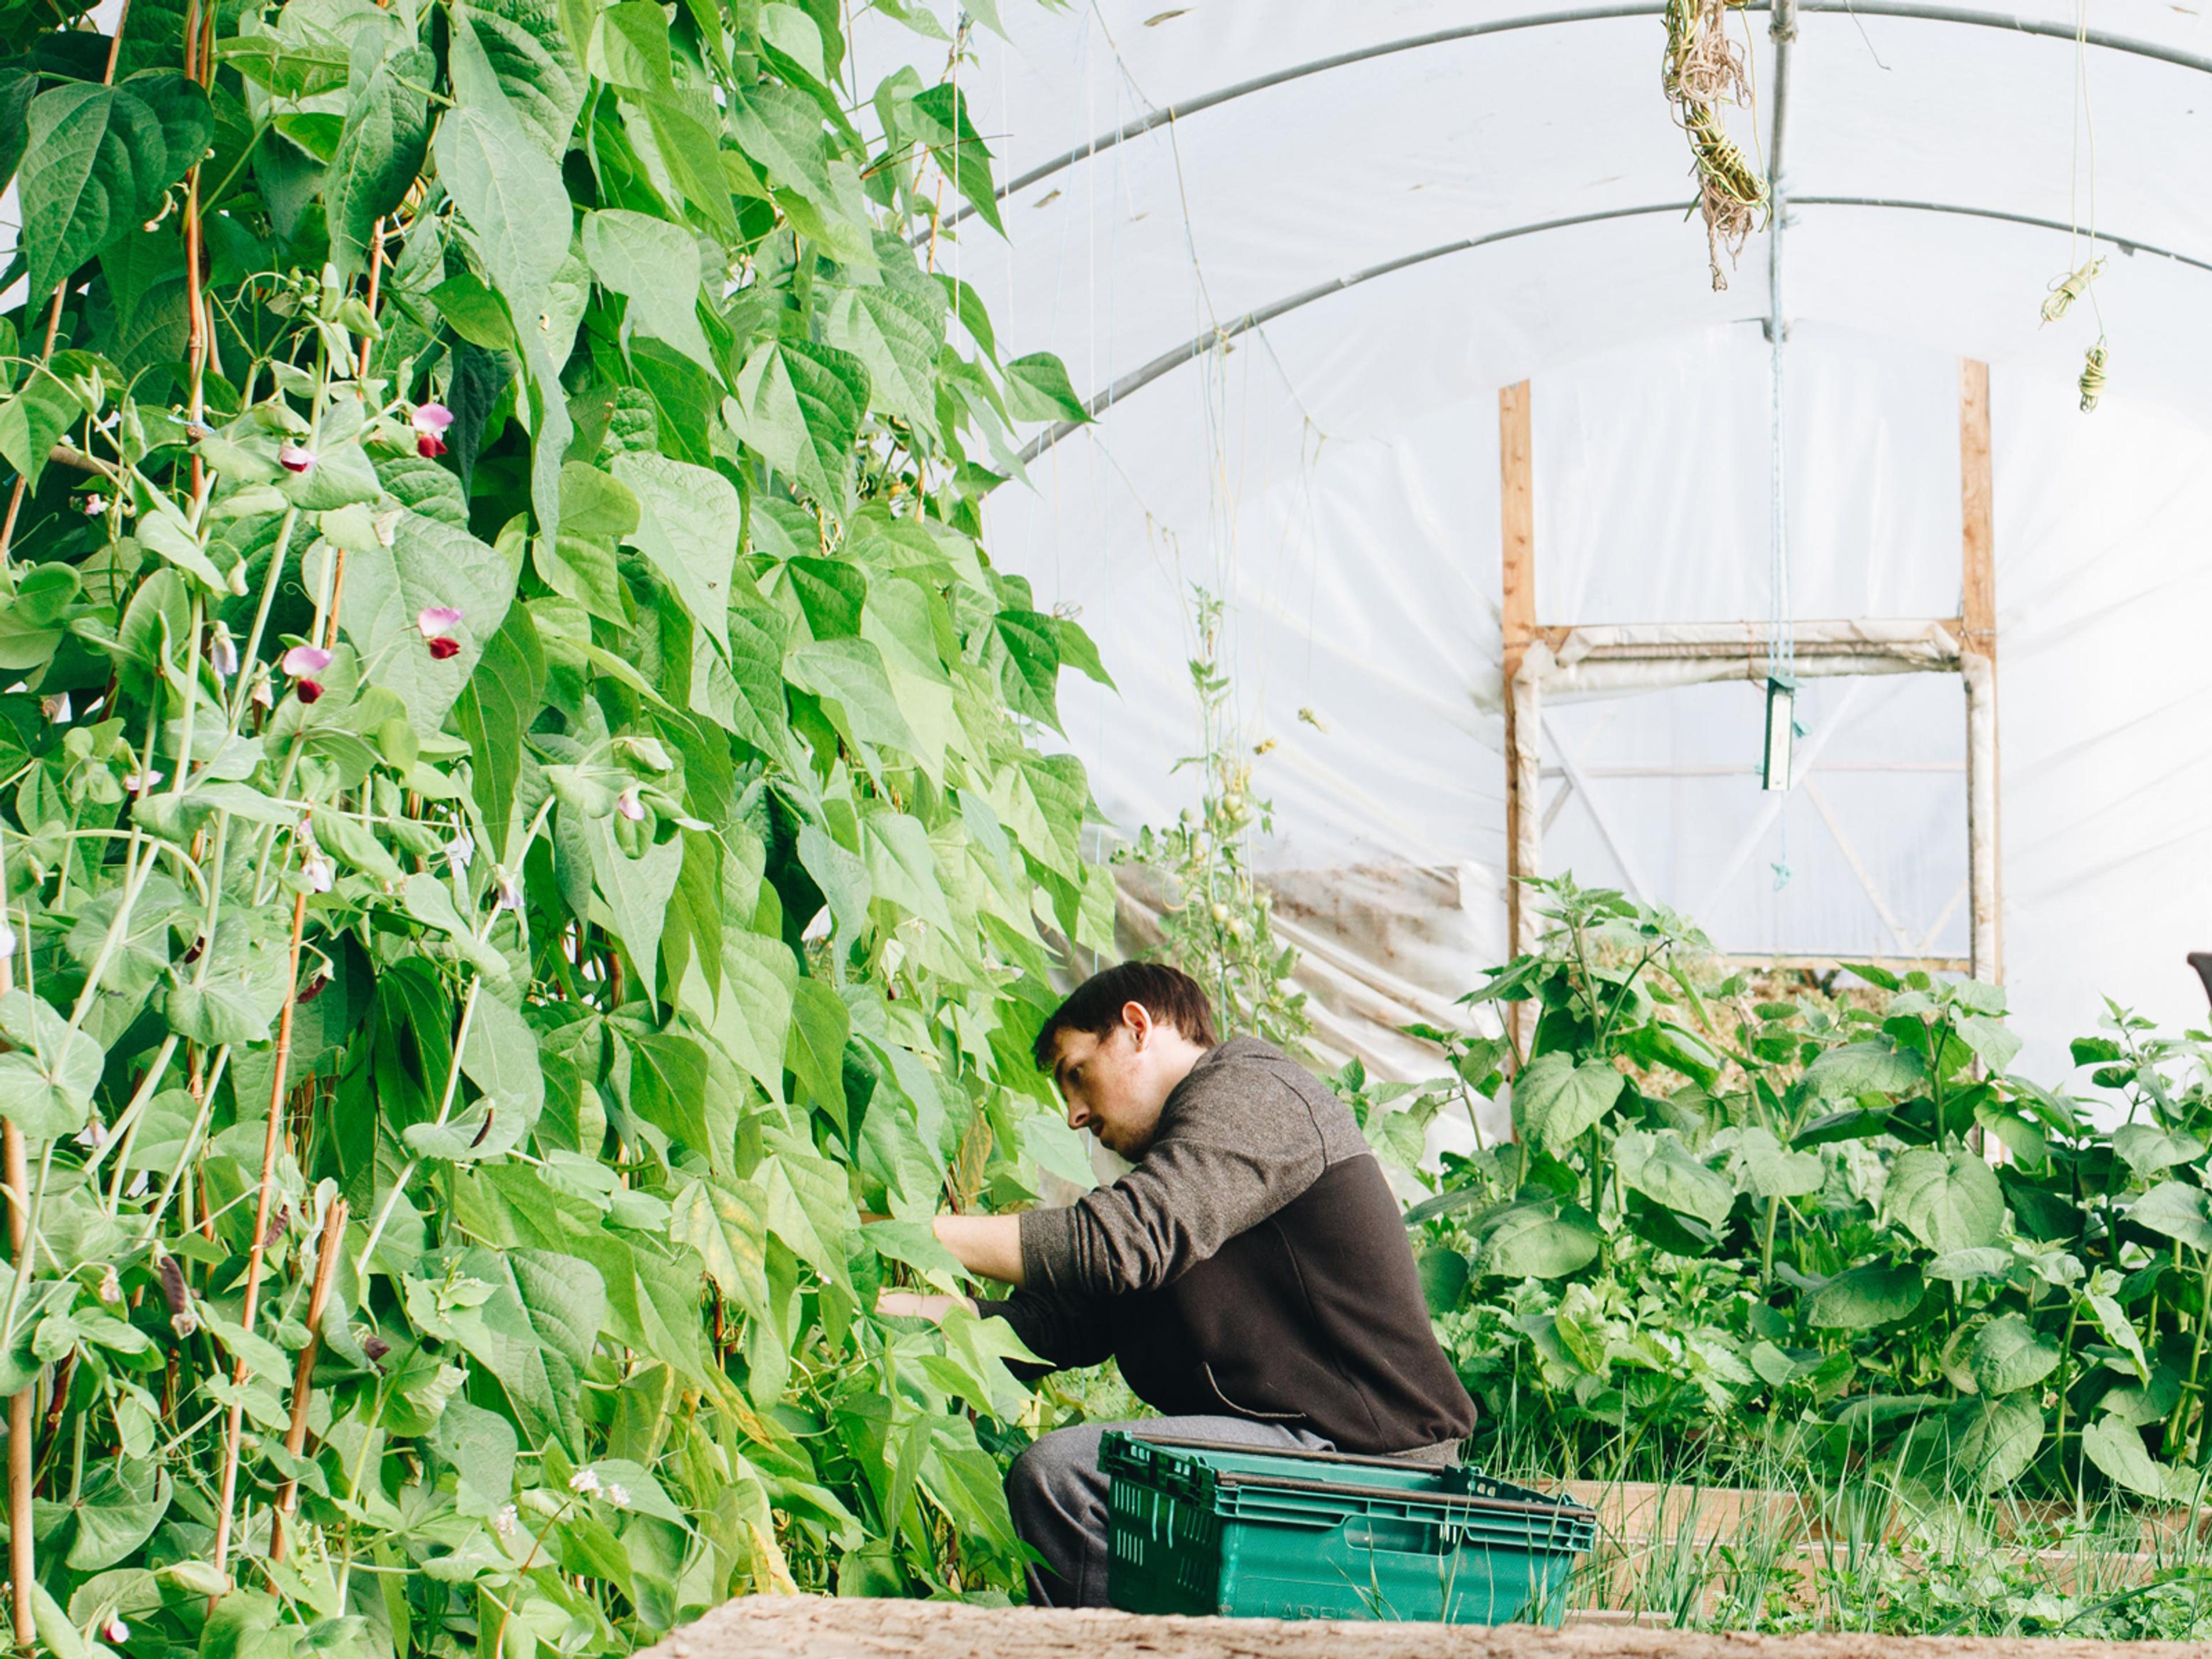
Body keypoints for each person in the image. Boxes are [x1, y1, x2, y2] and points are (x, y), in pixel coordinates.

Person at [876, 960, 1476, 1608]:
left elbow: (1118, 1243)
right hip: (1306, 1450)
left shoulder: (1255, 1095)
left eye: (1077, 1074)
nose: (1074, 1114)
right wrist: (915, 1312)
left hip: (1377, 1463)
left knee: (1063, 1479)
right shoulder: (1186, 1168)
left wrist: (908, 1233)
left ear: (1137, 1027)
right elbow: (1063, 1325)